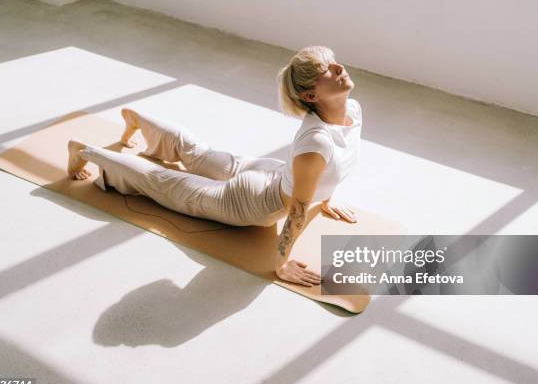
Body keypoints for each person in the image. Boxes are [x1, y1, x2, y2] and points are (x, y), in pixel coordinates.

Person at [66, 45, 361, 287]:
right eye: (326, 70)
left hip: (268, 172)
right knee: (163, 182)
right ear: (310, 96)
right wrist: (281, 265)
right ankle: (85, 150)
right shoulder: (317, 143)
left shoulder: (353, 111)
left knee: (197, 154)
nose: (338, 68)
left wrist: (325, 195)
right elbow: (297, 210)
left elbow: (335, 161)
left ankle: (138, 120)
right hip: (254, 201)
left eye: (333, 62)